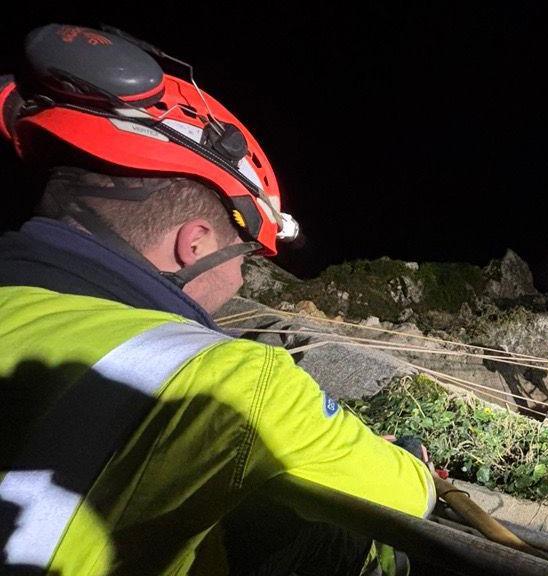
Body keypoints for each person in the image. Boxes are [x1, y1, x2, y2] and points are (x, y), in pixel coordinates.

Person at [0, 24, 434, 575]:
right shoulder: (236, 383)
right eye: (244, 258)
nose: (242, 283)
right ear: (194, 244)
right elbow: (407, 497)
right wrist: (411, 455)